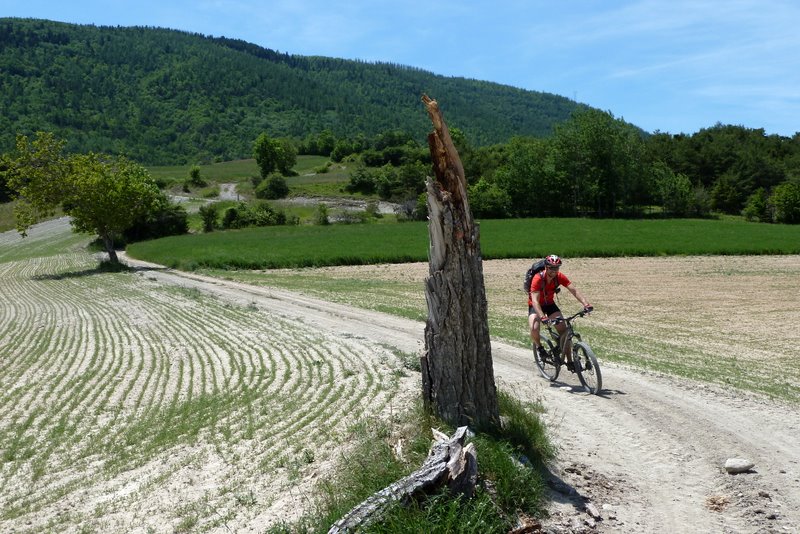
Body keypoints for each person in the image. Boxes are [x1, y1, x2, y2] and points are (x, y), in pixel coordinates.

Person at [528, 254, 593, 371]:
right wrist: (543, 317)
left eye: (557, 267)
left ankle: (570, 361)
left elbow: (574, 290)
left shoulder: (559, 277)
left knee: (565, 331)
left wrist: (586, 304)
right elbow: (535, 301)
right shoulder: (538, 278)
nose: (554, 270)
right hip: (536, 306)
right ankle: (540, 348)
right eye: (551, 267)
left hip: (550, 305)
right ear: (546, 267)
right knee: (534, 327)